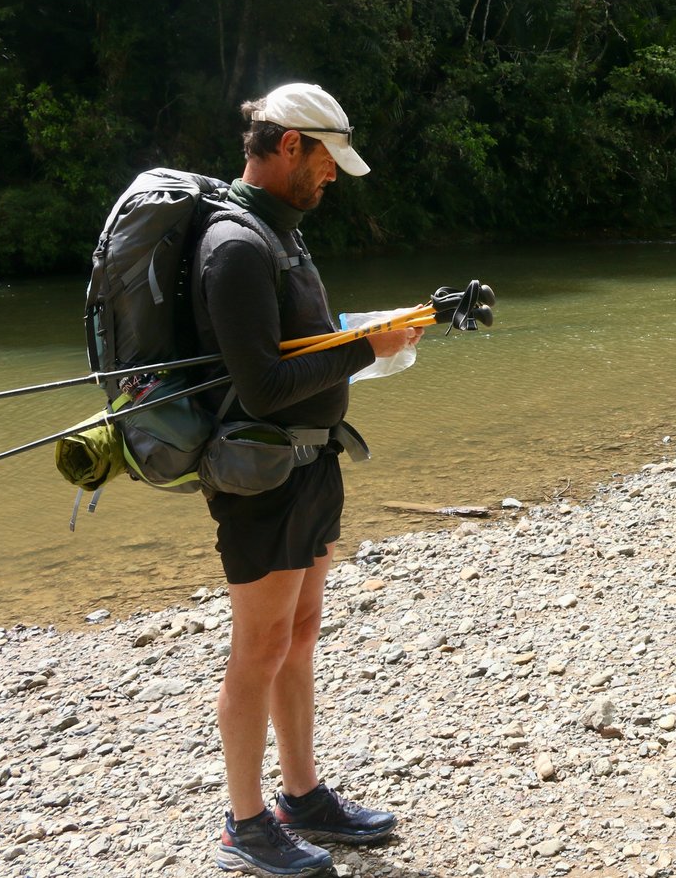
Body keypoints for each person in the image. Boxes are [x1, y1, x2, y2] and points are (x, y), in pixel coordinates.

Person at [192, 82, 422, 877]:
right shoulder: (236, 247)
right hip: (262, 479)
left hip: (313, 461)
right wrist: (368, 350)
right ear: (291, 146)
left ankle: (302, 796)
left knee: (299, 633)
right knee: (257, 648)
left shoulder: (282, 237)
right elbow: (260, 386)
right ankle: (244, 825)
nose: (332, 178)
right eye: (327, 162)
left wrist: (370, 338)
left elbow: (307, 346)